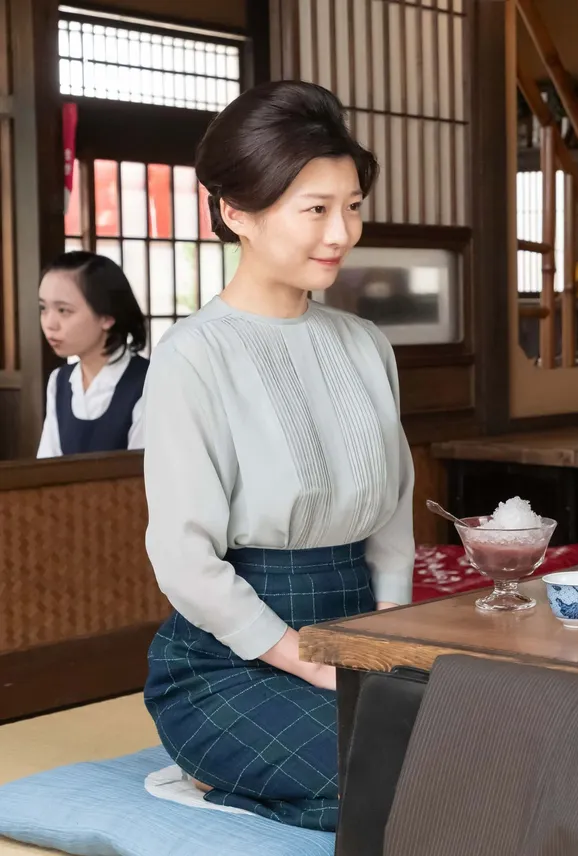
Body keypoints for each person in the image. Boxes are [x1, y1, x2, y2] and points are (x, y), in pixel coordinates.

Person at [141, 80, 414, 831]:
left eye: (352, 205)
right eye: (315, 209)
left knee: (492, 749)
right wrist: (307, 659)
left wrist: (389, 632)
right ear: (237, 213)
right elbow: (184, 558)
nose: (342, 232)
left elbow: (392, 510)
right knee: (397, 786)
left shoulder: (366, 345)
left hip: (362, 632)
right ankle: (215, 776)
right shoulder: (193, 358)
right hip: (231, 659)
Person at [35, 252, 147, 457]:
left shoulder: (148, 382)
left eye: (63, 311)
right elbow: (47, 469)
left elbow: (142, 476)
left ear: (107, 316)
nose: (49, 324)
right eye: (43, 308)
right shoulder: (59, 381)